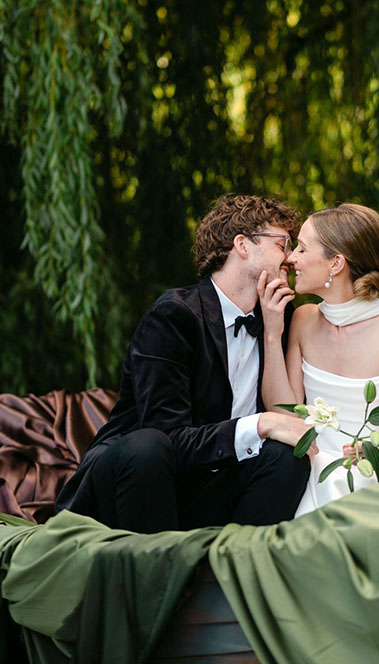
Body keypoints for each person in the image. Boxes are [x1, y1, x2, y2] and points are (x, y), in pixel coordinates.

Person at [56, 195, 313, 532]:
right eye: (283, 243)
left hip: (207, 493)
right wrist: (260, 424)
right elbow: (167, 438)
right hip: (139, 488)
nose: (291, 258)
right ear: (243, 245)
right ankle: (154, 575)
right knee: (149, 447)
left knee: (286, 459)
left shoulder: (279, 318)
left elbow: (288, 416)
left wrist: (272, 330)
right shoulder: (175, 315)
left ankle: (229, 571)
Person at [258, 203, 379, 517]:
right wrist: (272, 333)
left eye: (301, 248)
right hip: (309, 471)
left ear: (336, 263)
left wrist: (371, 455)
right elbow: (283, 412)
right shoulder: (302, 319)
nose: (290, 258)